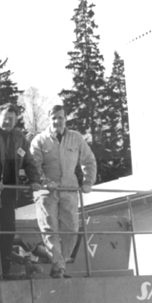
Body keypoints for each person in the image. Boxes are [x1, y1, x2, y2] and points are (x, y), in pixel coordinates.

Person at [30, 105, 97, 278]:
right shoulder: (39, 140)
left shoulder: (76, 138)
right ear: (48, 118)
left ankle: (61, 264)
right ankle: (58, 266)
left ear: (65, 118)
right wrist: (45, 181)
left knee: (71, 229)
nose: (57, 121)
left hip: (69, 190)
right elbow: (34, 165)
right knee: (49, 228)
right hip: (46, 192)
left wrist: (88, 181)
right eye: (54, 117)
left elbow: (88, 160)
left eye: (60, 117)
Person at [0, 103, 41, 279]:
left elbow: (28, 161)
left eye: (12, 119)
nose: (8, 122)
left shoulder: (20, 138)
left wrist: (35, 180)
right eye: (5, 118)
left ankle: (4, 270)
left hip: (8, 193)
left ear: (16, 120)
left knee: (8, 231)